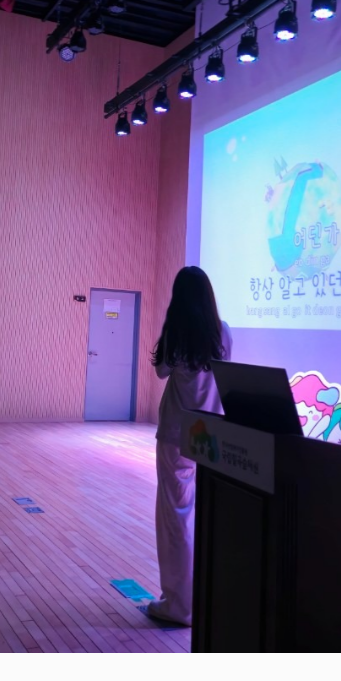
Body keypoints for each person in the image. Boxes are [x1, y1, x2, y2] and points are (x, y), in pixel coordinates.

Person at [146, 266, 232, 627]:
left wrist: (170, 326)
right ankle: (203, 597)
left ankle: (179, 604)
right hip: (211, 435)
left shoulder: (178, 332)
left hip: (176, 435)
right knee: (203, 518)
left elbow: (161, 371)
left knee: (175, 518)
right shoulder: (222, 332)